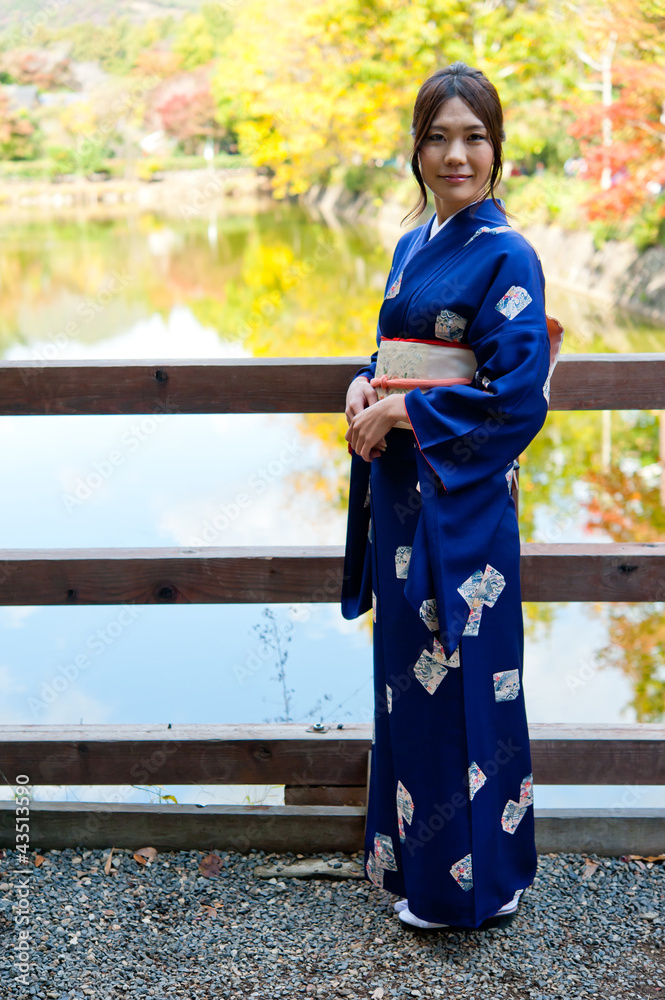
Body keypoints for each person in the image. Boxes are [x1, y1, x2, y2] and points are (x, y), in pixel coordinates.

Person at [341, 62, 563, 931]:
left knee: (468, 676)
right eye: (437, 137)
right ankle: (421, 872)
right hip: (403, 489)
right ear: (415, 150)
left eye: (473, 137)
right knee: (410, 681)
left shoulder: (507, 253)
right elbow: (394, 351)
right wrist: (365, 388)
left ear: (496, 148)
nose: (455, 155)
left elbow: (517, 394)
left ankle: (475, 886)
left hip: (462, 495)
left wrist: (405, 407)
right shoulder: (412, 244)